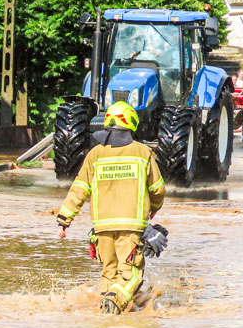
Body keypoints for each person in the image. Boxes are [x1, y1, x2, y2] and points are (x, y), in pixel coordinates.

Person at [56, 101, 165, 315]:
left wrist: (64, 220)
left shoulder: (95, 154)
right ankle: (115, 301)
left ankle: (107, 320)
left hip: (101, 228)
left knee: (109, 273)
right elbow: (157, 189)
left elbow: (79, 189)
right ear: (131, 123)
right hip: (131, 227)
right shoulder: (142, 152)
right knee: (132, 273)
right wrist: (154, 208)